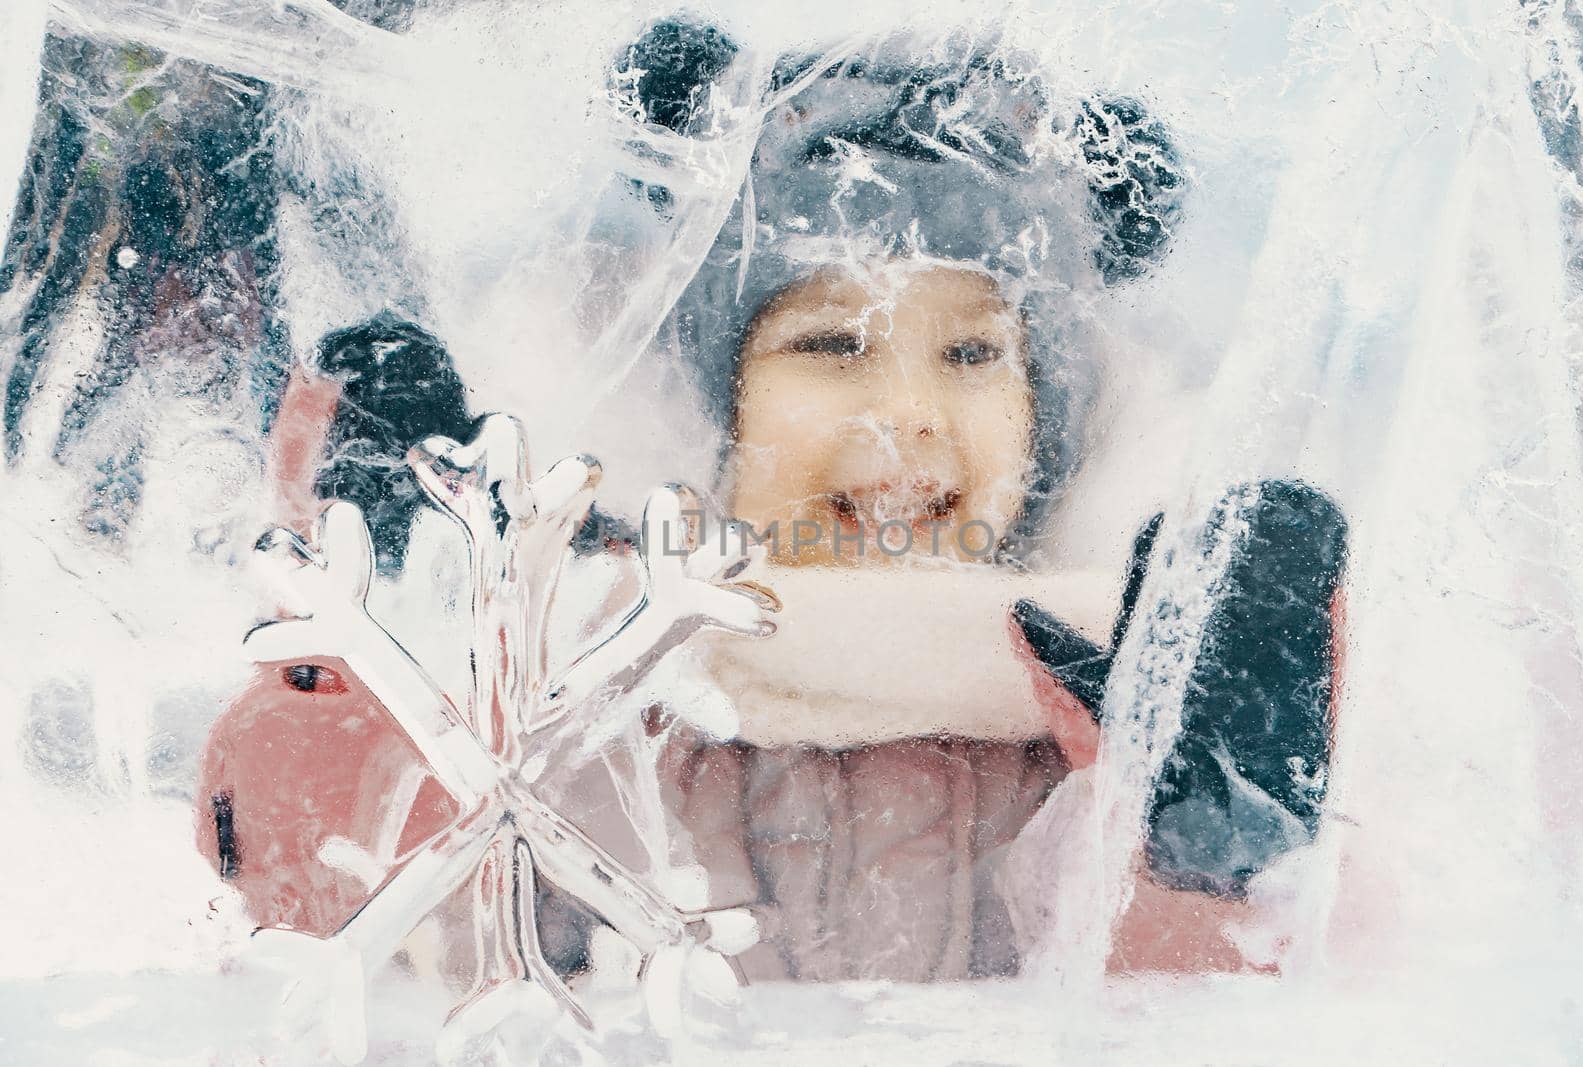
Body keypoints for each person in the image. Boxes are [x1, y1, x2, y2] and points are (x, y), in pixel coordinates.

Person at [193, 22, 1346, 991]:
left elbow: (1189, 1003)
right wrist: (371, 641)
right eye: (830, 341)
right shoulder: (598, 687)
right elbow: (353, 916)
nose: (904, 417)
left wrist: (1205, 852)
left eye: (973, 352)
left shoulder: (1090, 721)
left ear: (1049, 417)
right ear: (725, 401)